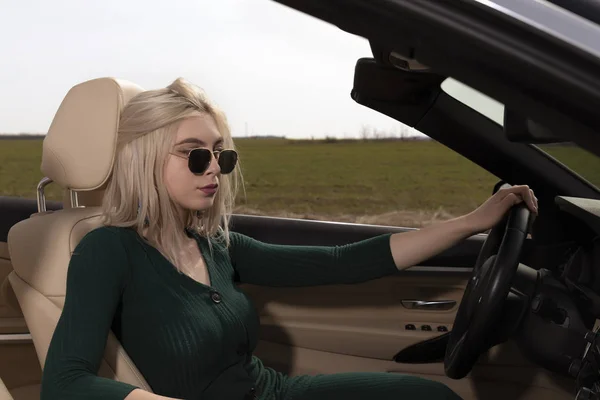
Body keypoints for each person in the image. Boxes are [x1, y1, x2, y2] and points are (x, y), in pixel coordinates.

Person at [40, 78, 538, 400]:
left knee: (429, 398)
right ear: (144, 159)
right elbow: (64, 383)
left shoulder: (215, 244)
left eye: (221, 155)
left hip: (276, 393)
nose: (214, 168)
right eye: (194, 155)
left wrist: (473, 221)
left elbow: (342, 262)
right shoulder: (107, 251)